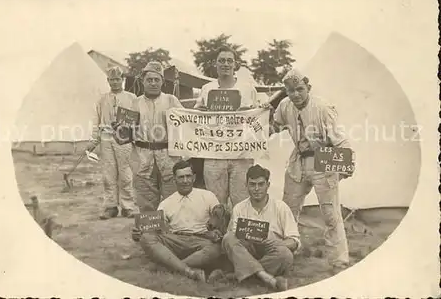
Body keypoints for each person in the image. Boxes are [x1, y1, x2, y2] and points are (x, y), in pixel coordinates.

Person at [268, 68, 354, 269]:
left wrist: (346, 165)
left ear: (308, 88)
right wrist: (262, 117)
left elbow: (341, 140)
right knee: (288, 209)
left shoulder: (322, 108)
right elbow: (275, 127)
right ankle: (286, 252)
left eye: (300, 89)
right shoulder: (284, 106)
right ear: (286, 91)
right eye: (290, 90)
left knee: (330, 213)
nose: (295, 94)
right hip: (298, 160)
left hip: (323, 160)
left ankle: (338, 260)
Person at [131, 160, 224, 282]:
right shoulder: (166, 203)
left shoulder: (207, 196)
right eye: (181, 177)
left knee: (216, 248)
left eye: (188, 176)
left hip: (201, 240)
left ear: (194, 178)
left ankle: (171, 267)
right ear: (174, 180)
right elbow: (155, 227)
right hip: (176, 241)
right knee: (147, 238)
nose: (185, 181)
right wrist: (139, 233)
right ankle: (189, 271)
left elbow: (219, 213)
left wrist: (217, 219)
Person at [193, 46, 259, 208]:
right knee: (216, 201)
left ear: (235, 65)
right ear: (215, 64)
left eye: (229, 61)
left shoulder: (247, 88)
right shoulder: (207, 89)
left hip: (241, 153)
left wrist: (260, 111)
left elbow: (258, 118)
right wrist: (200, 111)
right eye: (221, 60)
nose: (225, 64)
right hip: (214, 153)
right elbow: (194, 117)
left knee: (241, 199)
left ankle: (237, 231)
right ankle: (219, 232)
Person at [221, 164, 300, 292]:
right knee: (228, 238)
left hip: (271, 251)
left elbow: (295, 241)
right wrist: (250, 237)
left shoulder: (281, 207)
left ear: (267, 185)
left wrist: (275, 242)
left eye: (260, 184)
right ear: (246, 186)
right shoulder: (239, 208)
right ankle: (266, 277)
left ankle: (239, 274)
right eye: (252, 184)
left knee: (286, 255)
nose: (256, 189)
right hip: (247, 250)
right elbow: (231, 239)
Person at [131, 61, 184, 212]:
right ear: (143, 81)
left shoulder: (171, 100)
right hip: (142, 159)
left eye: (157, 80)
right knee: (146, 202)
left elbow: (187, 125)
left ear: (162, 82)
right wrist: (120, 130)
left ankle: (171, 233)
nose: (153, 83)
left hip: (168, 158)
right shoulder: (134, 103)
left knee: (172, 202)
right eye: (149, 80)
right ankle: (150, 233)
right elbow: (124, 133)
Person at [91, 66, 138, 219]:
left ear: (122, 80)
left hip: (124, 137)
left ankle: (128, 206)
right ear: (108, 81)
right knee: (108, 173)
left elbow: (137, 120)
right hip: (106, 136)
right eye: (112, 79)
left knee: (125, 173)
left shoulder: (131, 98)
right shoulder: (102, 99)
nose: (115, 82)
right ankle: (110, 206)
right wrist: (94, 139)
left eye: (118, 79)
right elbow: (96, 120)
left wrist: (135, 136)